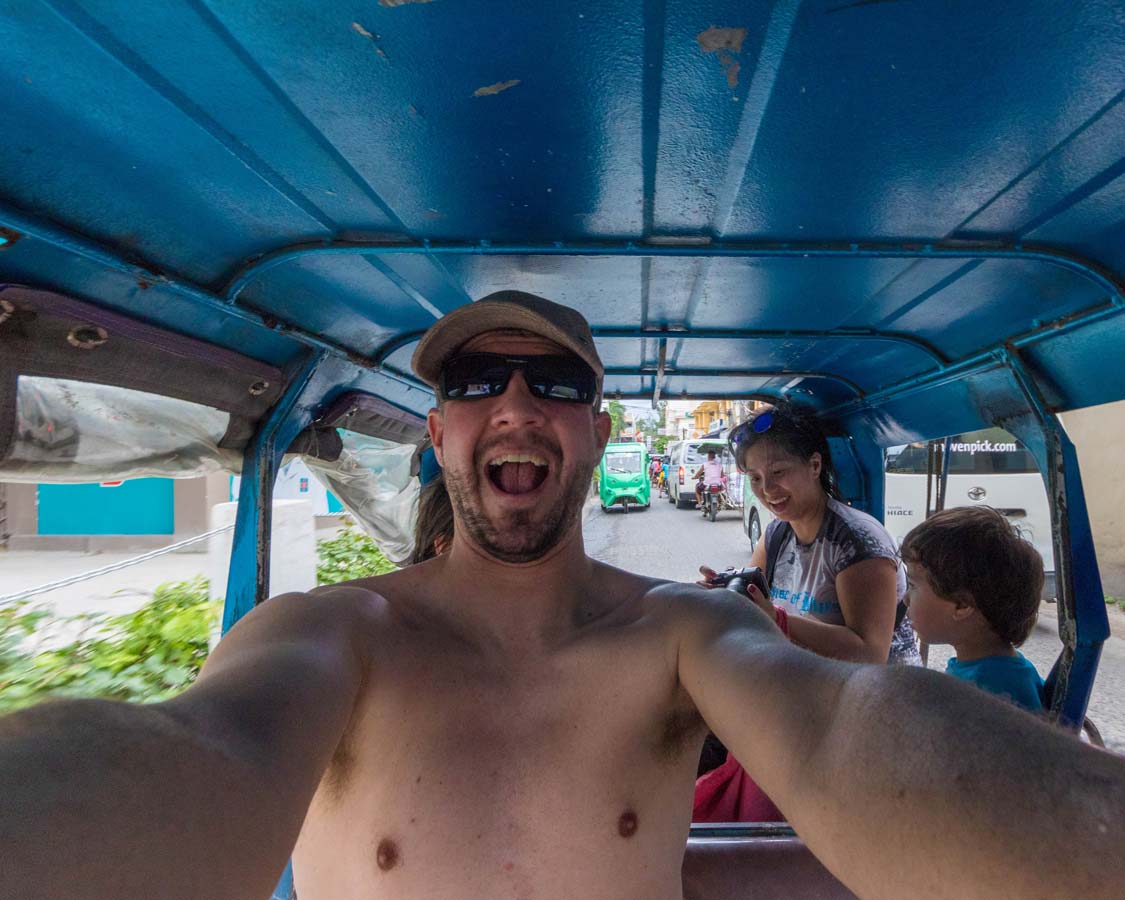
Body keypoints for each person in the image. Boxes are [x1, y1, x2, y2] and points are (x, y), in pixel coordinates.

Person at [2, 290, 1124, 900]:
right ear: (439, 432)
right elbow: (198, 757)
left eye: (558, 384)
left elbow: (843, 728)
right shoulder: (330, 637)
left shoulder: (684, 630)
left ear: (597, 429)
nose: (516, 404)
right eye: (475, 381)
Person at [900, 506, 1045, 713]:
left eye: (913, 586)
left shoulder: (990, 689)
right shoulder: (986, 668)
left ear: (962, 604)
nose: (906, 599)